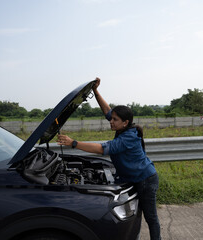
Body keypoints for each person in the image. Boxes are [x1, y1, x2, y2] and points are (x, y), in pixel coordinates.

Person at [57, 77, 161, 240]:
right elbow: (107, 110)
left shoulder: (128, 138)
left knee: (151, 218)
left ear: (125, 123)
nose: (110, 121)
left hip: (145, 180)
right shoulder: (122, 126)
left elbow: (101, 149)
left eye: (114, 120)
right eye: (111, 118)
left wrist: (74, 143)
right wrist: (96, 91)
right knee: (132, 214)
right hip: (134, 178)